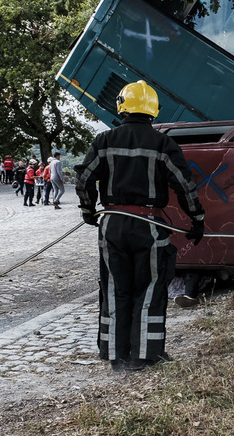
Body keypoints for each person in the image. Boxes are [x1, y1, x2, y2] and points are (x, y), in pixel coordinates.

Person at [76, 80, 205, 372]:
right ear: (153, 109)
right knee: (149, 289)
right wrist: (196, 218)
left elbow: (84, 179)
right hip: (149, 225)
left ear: (122, 106)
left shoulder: (104, 141)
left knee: (114, 288)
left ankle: (115, 355)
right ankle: (144, 356)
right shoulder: (163, 144)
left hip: (112, 226)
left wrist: (87, 209)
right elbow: (184, 185)